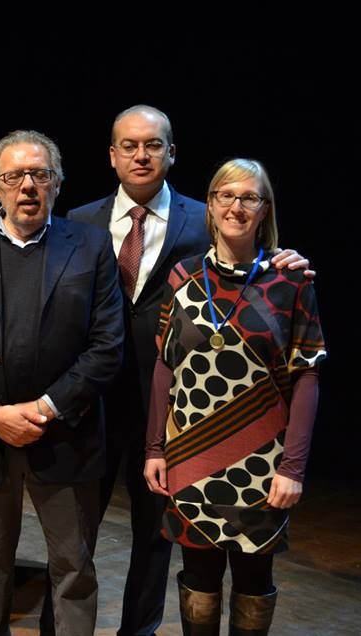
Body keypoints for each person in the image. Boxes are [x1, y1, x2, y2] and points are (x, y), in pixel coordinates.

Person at [65, 105, 309, 635]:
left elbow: (250, 259)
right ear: (111, 155)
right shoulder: (78, 223)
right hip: (92, 404)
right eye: (129, 145)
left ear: (172, 153)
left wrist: (283, 258)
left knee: (155, 540)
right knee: (72, 540)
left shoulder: (207, 216)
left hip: (176, 412)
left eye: (153, 144)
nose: (141, 155)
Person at [0, 129, 124, 635]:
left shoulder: (92, 246)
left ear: (58, 183)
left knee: (74, 567)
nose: (28, 186)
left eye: (40, 174)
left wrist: (44, 409)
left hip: (65, 433)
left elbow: (107, 346)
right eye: (14, 176)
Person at [143, 158, 326, 635]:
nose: (236, 207)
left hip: (261, 464)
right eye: (225, 195)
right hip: (190, 456)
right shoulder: (182, 277)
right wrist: (154, 448)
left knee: (253, 578)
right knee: (198, 577)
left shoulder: (291, 282)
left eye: (249, 197)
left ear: (265, 210)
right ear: (210, 205)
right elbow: (165, 365)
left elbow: (307, 377)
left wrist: (293, 468)